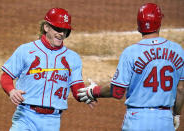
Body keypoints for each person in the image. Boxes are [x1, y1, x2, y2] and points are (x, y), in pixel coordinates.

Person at [78, 3, 184, 131]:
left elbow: (117, 91)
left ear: (139, 25)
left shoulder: (131, 52)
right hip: (164, 120)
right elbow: (180, 90)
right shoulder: (178, 50)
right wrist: (176, 114)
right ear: (159, 22)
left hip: (137, 120)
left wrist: (93, 91)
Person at [0, 8, 93, 131]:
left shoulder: (73, 58)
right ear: (46, 27)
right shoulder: (25, 50)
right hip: (25, 116)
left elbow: (77, 90)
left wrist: (91, 93)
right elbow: (6, 76)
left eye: (65, 30)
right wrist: (11, 91)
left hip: (52, 121)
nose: (62, 34)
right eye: (58, 29)